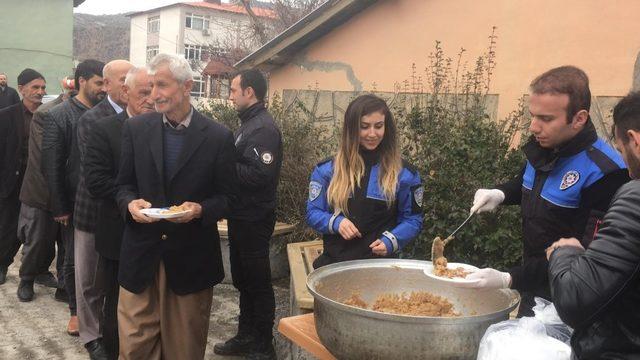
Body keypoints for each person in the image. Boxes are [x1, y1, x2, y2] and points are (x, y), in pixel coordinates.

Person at [464, 66, 630, 316]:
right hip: (533, 288)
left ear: (579, 119)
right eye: (533, 116)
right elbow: (526, 185)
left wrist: (508, 278)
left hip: (571, 303)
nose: (533, 127)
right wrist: (499, 194)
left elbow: (586, 255)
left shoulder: (605, 174)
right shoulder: (545, 147)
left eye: (546, 119)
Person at [115, 53, 236, 359]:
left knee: (184, 350)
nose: (154, 94)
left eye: (162, 85)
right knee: (133, 349)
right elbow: (122, 186)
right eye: (152, 86)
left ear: (187, 87)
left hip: (190, 259)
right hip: (141, 256)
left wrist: (200, 210)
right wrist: (130, 204)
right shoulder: (136, 129)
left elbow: (229, 198)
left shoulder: (218, 137)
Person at [546, 91, 640, 359]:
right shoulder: (539, 155)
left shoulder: (631, 191)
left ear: (634, 140)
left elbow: (575, 299)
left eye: (622, 150)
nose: (627, 166)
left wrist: (565, 252)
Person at [84, 66, 154, 359]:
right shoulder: (104, 129)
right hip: (119, 232)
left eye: (154, 91)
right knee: (117, 301)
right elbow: (95, 181)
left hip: (157, 233)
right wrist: (130, 200)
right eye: (143, 93)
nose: (151, 99)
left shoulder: (163, 128)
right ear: (126, 93)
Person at [306, 94, 423, 268]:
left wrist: (392, 240)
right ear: (351, 129)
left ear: (387, 127)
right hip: (334, 266)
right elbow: (312, 212)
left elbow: (413, 219)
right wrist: (337, 223)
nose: (372, 134)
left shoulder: (405, 174)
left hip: (380, 269)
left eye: (378, 126)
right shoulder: (327, 170)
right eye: (364, 126)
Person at [214, 70, 282, 360]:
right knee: (243, 279)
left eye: (233, 90)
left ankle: (263, 343)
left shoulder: (263, 129)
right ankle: (245, 336)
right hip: (241, 215)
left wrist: (222, 166)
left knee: (257, 280)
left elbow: (260, 174)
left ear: (249, 92)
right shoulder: (249, 125)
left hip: (255, 217)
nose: (230, 96)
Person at [73, 59, 132, 360]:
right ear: (106, 84)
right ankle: (91, 336)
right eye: (122, 78)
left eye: (131, 77)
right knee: (90, 280)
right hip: (93, 211)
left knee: (113, 278)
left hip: (123, 213)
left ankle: (112, 331)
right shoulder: (92, 120)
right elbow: (98, 173)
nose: (127, 83)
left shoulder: (141, 115)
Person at [42, 59, 105, 336]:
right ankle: (75, 311)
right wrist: (59, 206)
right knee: (71, 258)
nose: (103, 88)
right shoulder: (60, 116)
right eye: (98, 82)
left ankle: (96, 310)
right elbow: (52, 164)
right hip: (71, 199)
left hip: (99, 199)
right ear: (82, 81)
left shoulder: (105, 113)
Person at [19, 86, 77, 304]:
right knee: (37, 240)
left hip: (71, 190)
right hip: (42, 190)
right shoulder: (46, 113)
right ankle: (26, 278)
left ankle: (64, 286)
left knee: (67, 244)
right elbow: (48, 156)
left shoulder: (89, 111)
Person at [0, 69, 46, 290]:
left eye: (43, 88)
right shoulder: (6, 115)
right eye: (35, 87)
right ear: (21, 89)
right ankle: (2, 264)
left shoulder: (48, 115)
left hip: (38, 183)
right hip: (12, 181)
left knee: (36, 231)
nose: (40, 92)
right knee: (8, 226)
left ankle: (36, 272)